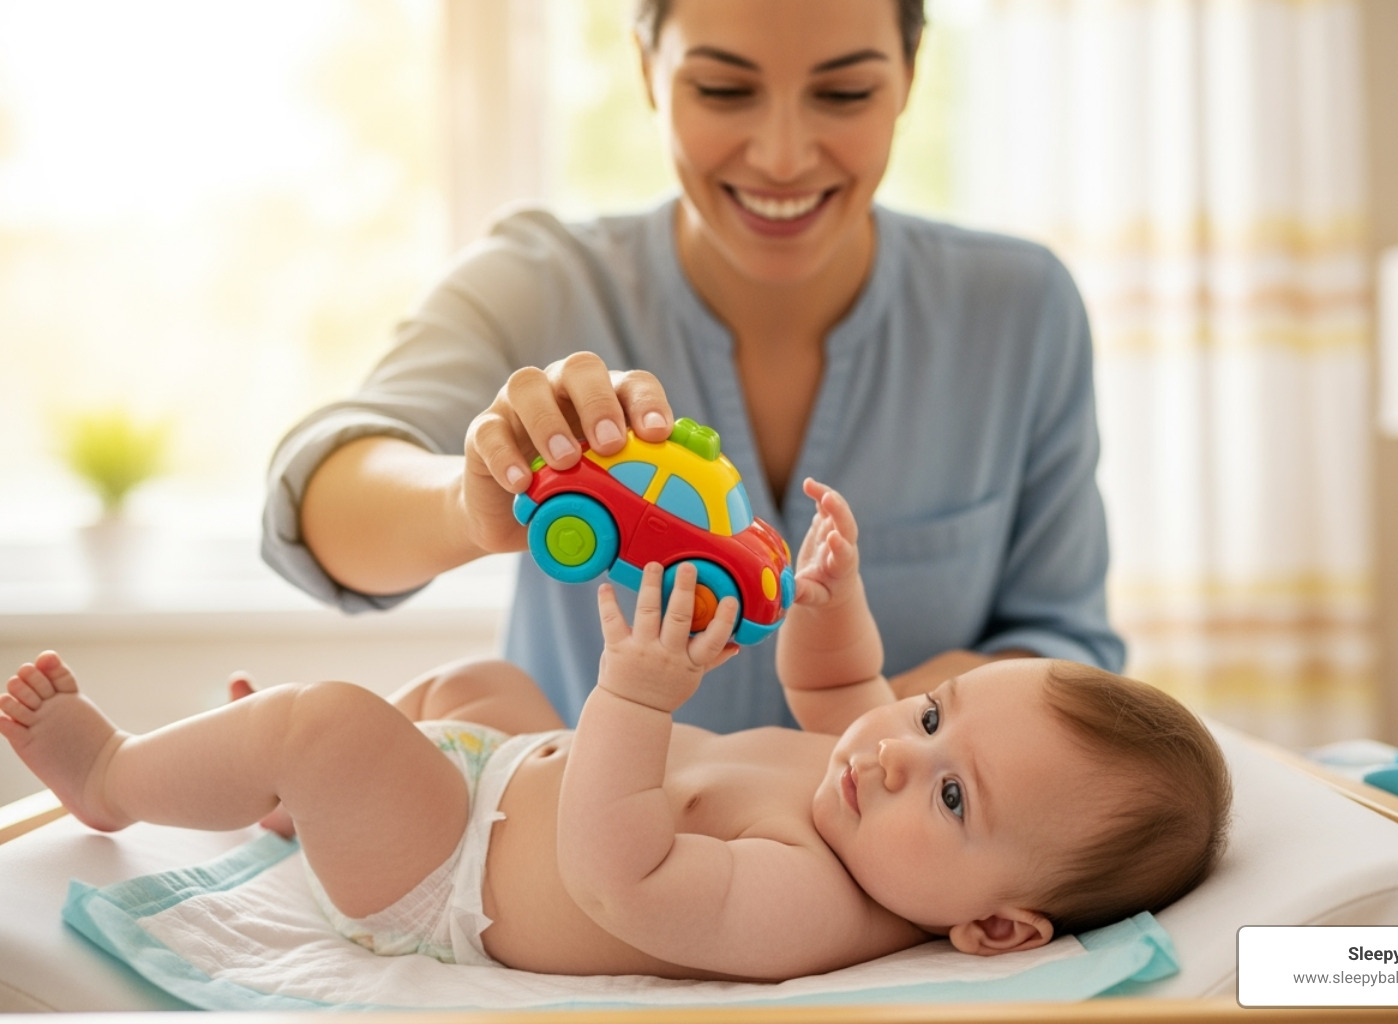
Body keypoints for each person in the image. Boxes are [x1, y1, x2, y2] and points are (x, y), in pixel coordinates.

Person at [261, 0, 1126, 732]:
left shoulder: (1020, 308)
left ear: (909, 73)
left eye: (846, 91)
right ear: (646, 68)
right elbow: (321, 495)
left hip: (901, 896)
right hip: (569, 887)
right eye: (721, 88)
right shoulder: (535, 283)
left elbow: (1068, 652)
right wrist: (467, 503)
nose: (783, 156)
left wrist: (882, 726)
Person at [3, 481, 1229, 980]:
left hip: (450, 876)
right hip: (505, 776)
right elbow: (841, 682)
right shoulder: (877, 777)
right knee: (480, 681)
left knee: (332, 726)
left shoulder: (817, 901)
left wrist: (637, 697)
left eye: (955, 797)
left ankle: (116, 776)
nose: (897, 748)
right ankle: (282, 803)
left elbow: (619, 870)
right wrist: (832, 600)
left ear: (996, 925)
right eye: (931, 713)